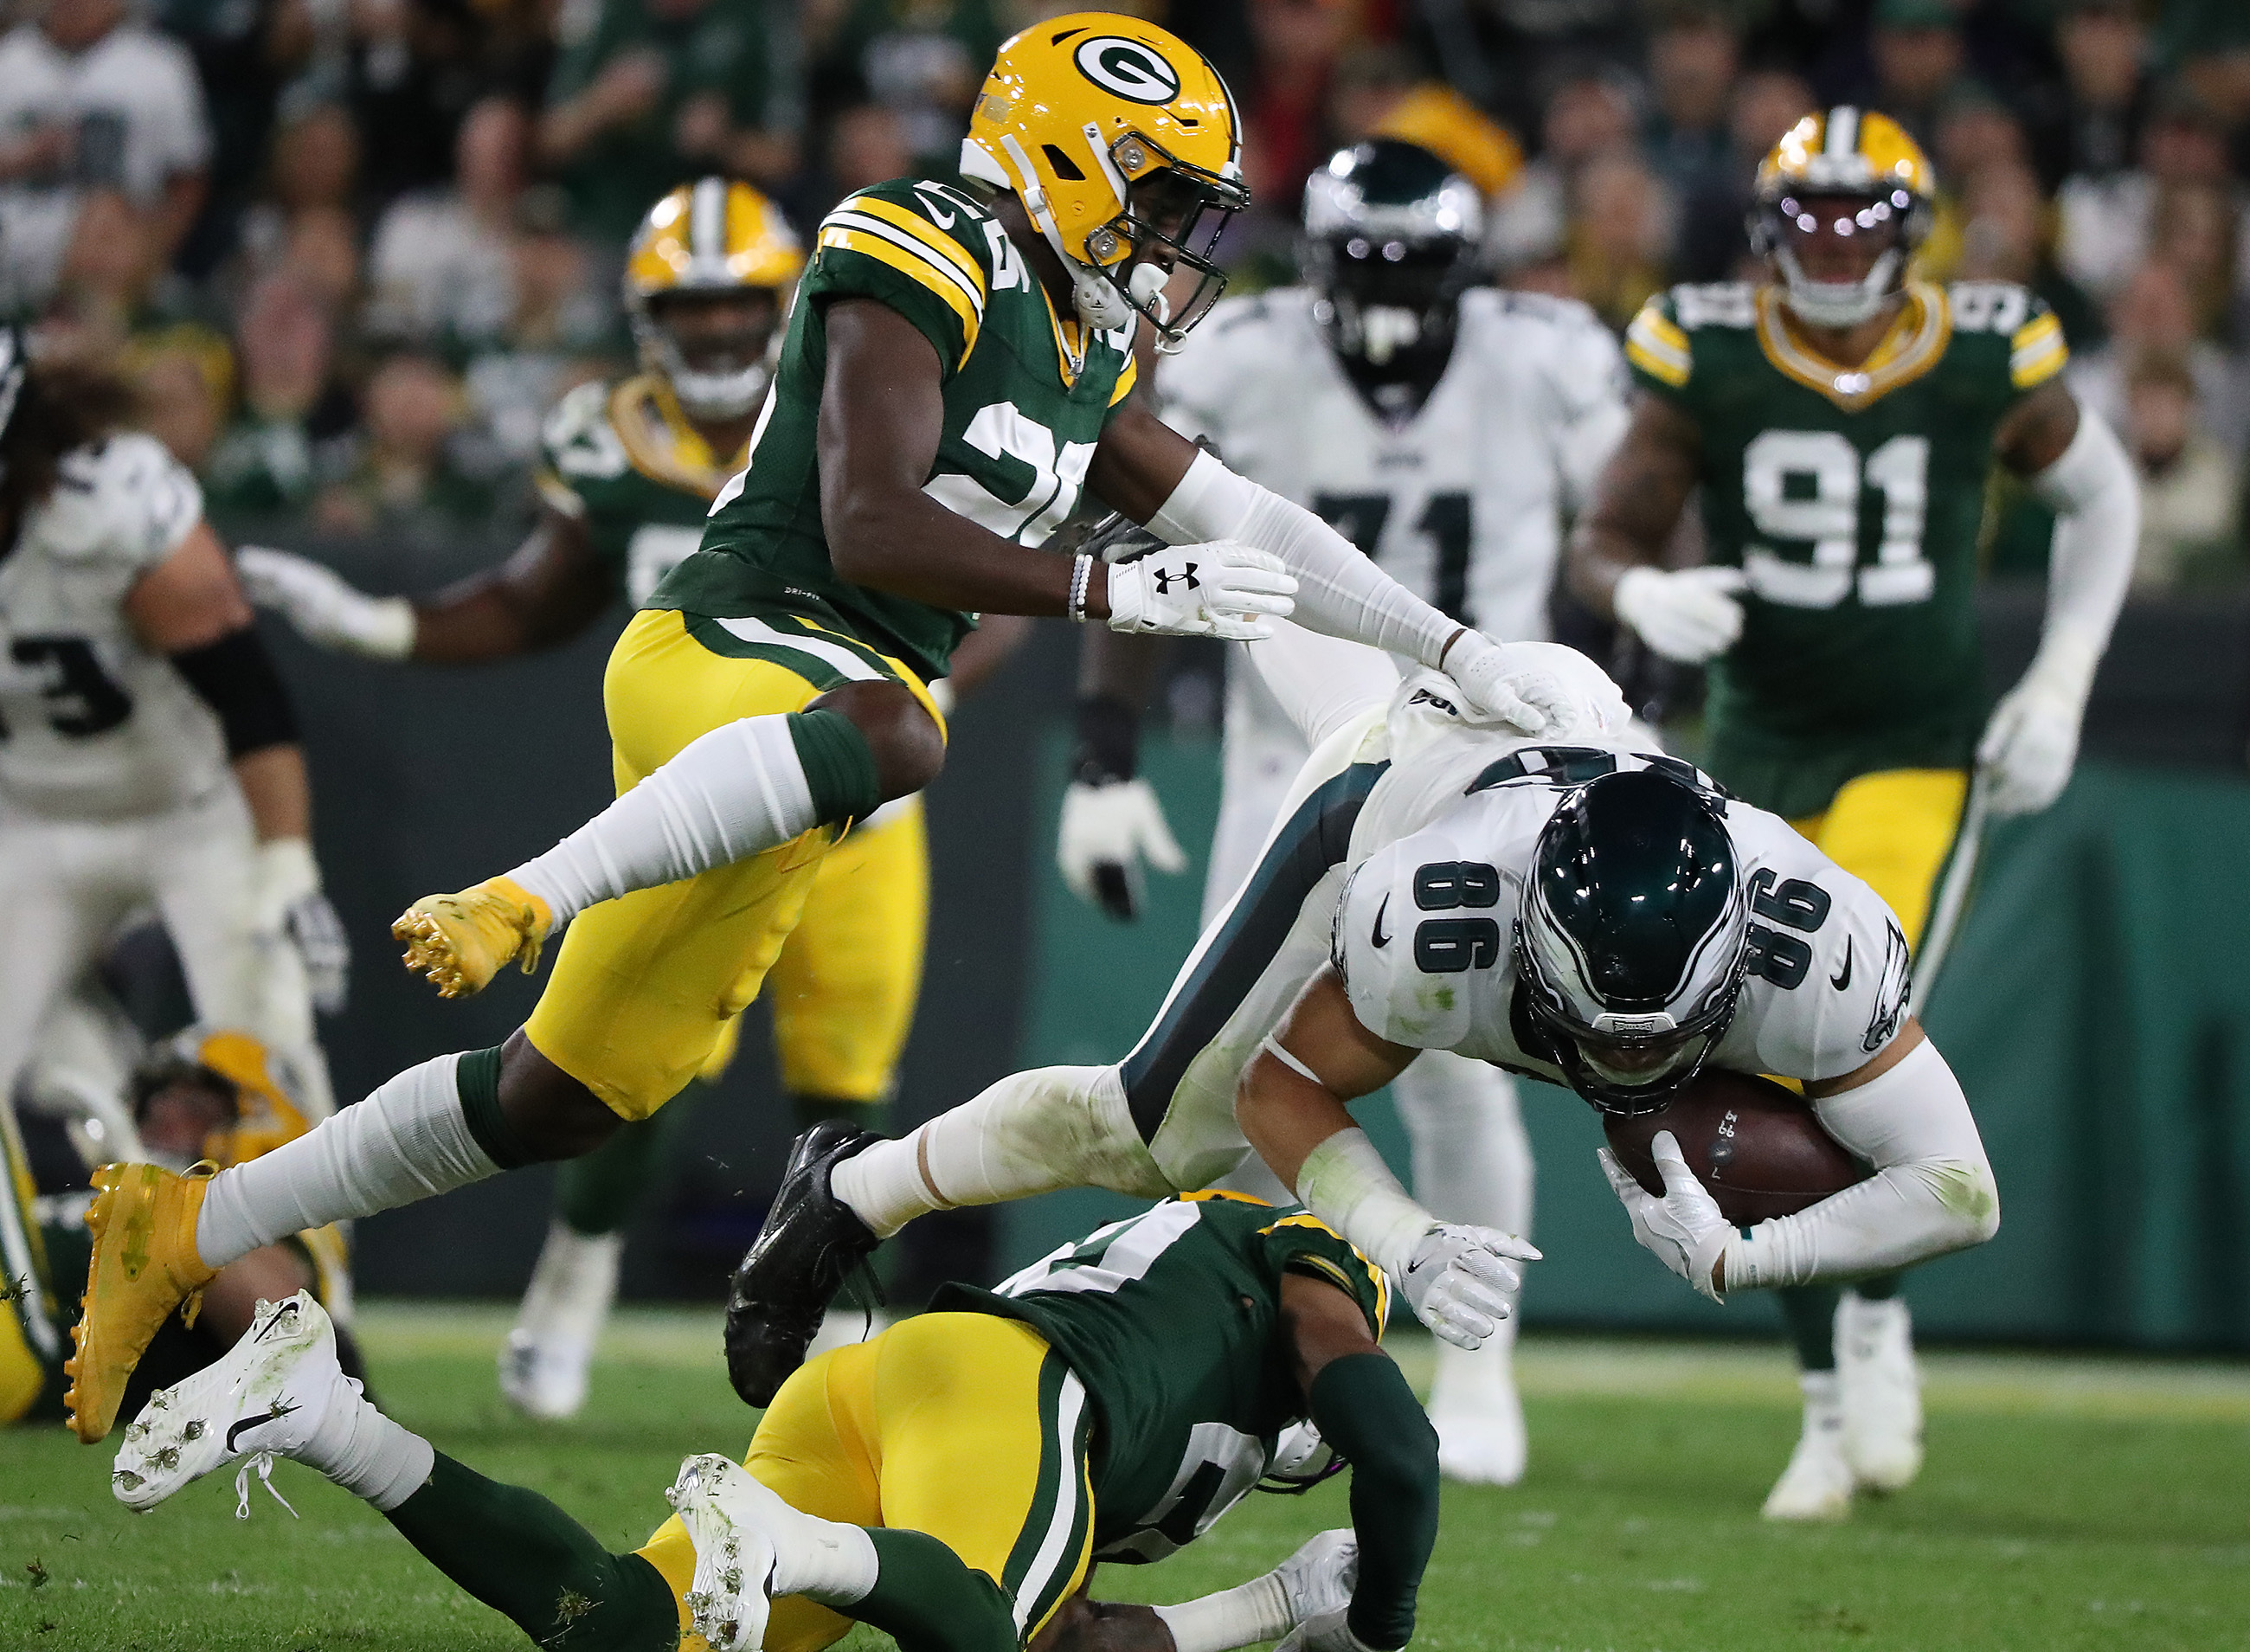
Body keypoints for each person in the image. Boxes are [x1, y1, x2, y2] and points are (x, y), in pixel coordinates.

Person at [64, 12, 1552, 1446]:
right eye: (1160, 200)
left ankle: (190, 1216)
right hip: (724, 647)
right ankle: (527, 890)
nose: (1177, 243)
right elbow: (875, 518)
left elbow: (1261, 524)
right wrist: (1115, 581)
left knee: (556, 1099)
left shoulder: (1086, 345)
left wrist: (1457, 648)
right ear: (1066, 163)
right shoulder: (924, 240)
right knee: (908, 733)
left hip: (807, 731)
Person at [719, 626, 1999, 1434]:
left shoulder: (1813, 943)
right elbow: (1285, 1088)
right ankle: (849, 1187)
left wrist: (1746, 1261)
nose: (1622, 1072)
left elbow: (1960, 1188)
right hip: (1401, 784)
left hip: (1579, 733)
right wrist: (1409, 1239)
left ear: (1735, 975)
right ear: (1532, 954)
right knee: (1154, 1136)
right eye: (1593, 1037)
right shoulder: (1434, 918)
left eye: (1654, 1042)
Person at [241, 177, 1026, 1420]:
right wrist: (384, 623)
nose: (719, 332)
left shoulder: (884, 385)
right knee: (632, 1077)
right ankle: (575, 1275)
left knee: (849, 1074)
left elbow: (971, 579)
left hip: (857, 789)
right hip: (707, 785)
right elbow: (533, 597)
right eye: (692, 306)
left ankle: (807, 1321)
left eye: (740, 305)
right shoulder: (609, 438)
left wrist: (920, 705)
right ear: (649, 314)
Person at [1567, 107, 2136, 1519]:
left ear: (1906, 229)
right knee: (1744, 1079)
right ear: (1769, 227)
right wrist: (1638, 590)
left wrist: (2061, 681)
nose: (1829, 243)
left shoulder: (1989, 347)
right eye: (1806, 217)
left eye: (1855, 218)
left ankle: (1862, 1332)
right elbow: (1605, 531)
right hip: (1756, 750)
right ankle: (1831, 1381)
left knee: (1835, 1058)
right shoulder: (1707, 348)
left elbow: (2105, 492)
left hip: (1915, 753)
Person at [1058, 138, 1630, 1485]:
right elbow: (1138, 538)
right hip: (1298, 755)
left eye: (1410, 265)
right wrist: (1103, 749)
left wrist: (1638, 629)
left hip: (1494, 755)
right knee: (1230, 1074)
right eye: (1361, 264)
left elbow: (1632, 508)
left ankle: (1479, 1372)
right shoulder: (1248, 356)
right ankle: (1263, 1361)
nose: (1385, 295)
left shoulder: (1542, 356)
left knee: (1459, 1074)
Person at [112, 1190, 1435, 1652]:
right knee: (975, 1622)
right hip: (1014, 1379)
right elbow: (1401, 1449)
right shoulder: (1308, 1263)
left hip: (881, 1392)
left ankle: (325, 1412)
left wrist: (1280, 1601)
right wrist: (1375, 1625)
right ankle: (787, 1543)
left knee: (631, 1628)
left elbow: (1071, 1631)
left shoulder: (1196, 1365)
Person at [0, 331, 345, 1163]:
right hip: (28, 821)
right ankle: (96, 1082)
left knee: (264, 1061)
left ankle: (308, 1285)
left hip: (184, 810)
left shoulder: (108, 508)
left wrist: (286, 862)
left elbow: (244, 690)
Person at [3, 1027, 360, 1428]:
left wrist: (168, 1195)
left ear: (262, 1125)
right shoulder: (113, 1189)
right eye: (159, 1099)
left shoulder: (273, 1233)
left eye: (193, 1105)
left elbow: (277, 1319)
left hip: (32, 1363)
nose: (163, 1114)